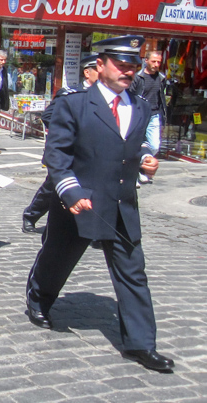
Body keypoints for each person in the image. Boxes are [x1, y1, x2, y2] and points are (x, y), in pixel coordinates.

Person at [24, 36, 174, 373]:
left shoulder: (140, 105)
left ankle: (140, 344)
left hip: (121, 205)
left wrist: (146, 160)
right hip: (81, 203)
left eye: (133, 65)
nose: (128, 71)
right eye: (121, 64)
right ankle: (39, 298)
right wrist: (70, 192)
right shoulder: (74, 103)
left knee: (134, 274)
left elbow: (128, 151)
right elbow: (57, 155)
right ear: (101, 64)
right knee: (57, 260)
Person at [22, 54, 99, 233]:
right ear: (87, 72)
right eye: (96, 69)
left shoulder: (105, 98)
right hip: (68, 153)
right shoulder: (71, 94)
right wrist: (68, 131)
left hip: (91, 155)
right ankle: (31, 214)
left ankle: (94, 227)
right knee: (52, 188)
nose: (101, 73)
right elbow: (48, 116)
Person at [130, 50, 168, 184]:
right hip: (139, 114)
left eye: (159, 62)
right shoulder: (137, 77)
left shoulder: (161, 78)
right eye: (154, 61)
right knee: (135, 142)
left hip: (154, 114)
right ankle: (137, 171)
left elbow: (161, 98)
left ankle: (142, 166)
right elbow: (131, 96)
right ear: (146, 61)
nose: (156, 64)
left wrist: (163, 116)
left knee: (154, 145)